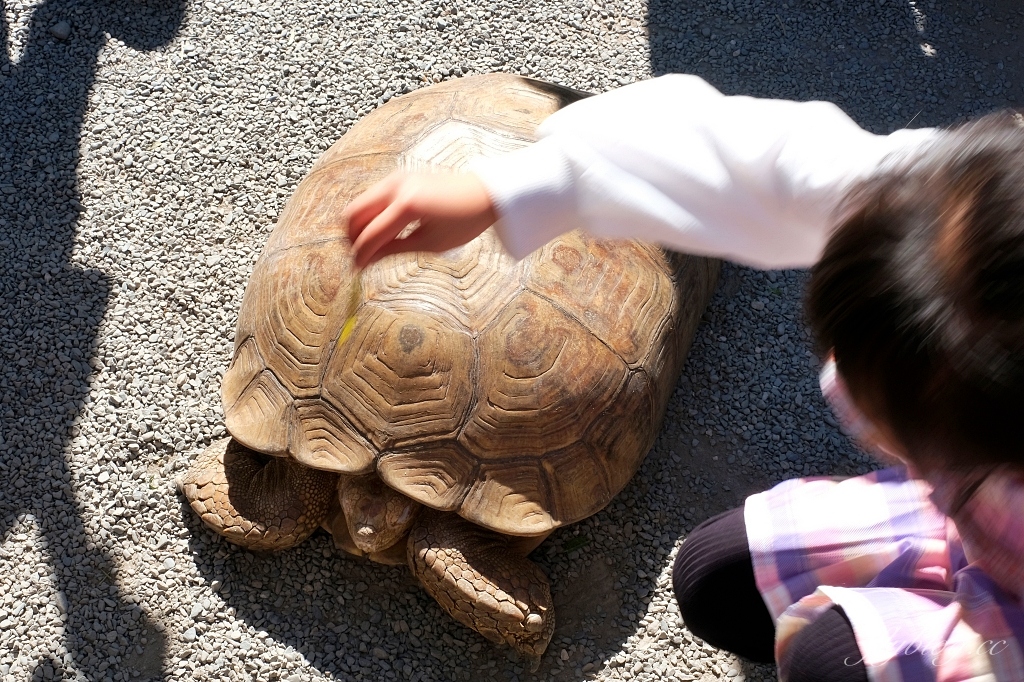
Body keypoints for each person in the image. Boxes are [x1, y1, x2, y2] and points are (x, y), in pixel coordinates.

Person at [343, 74, 1024, 681]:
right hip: (966, 514)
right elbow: (742, 156)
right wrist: (506, 189)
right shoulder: (947, 204)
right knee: (713, 578)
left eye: (894, 426)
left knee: (827, 661)